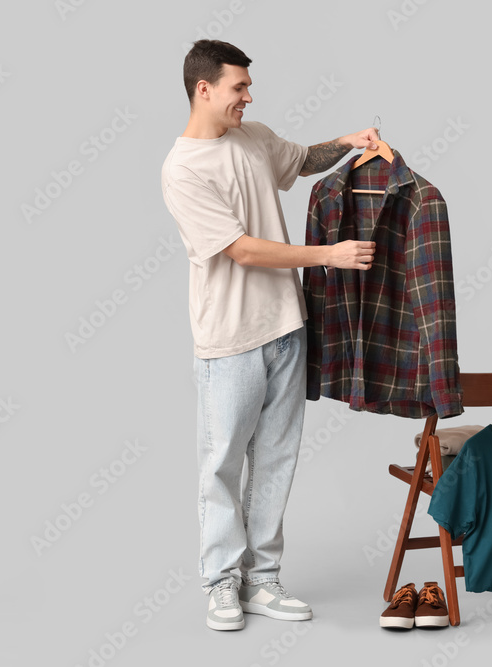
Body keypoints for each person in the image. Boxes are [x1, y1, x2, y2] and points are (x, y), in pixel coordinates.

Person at [160, 39, 378, 631]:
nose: (248, 98)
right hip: (230, 341)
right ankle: (220, 583)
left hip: (287, 329)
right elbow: (242, 250)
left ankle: (262, 580)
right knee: (223, 465)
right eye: (239, 88)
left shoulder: (252, 137)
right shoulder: (183, 169)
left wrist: (349, 142)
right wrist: (328, 254)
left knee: (276, 460)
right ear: (204, 89)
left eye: (248, 88)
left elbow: (301, 160)